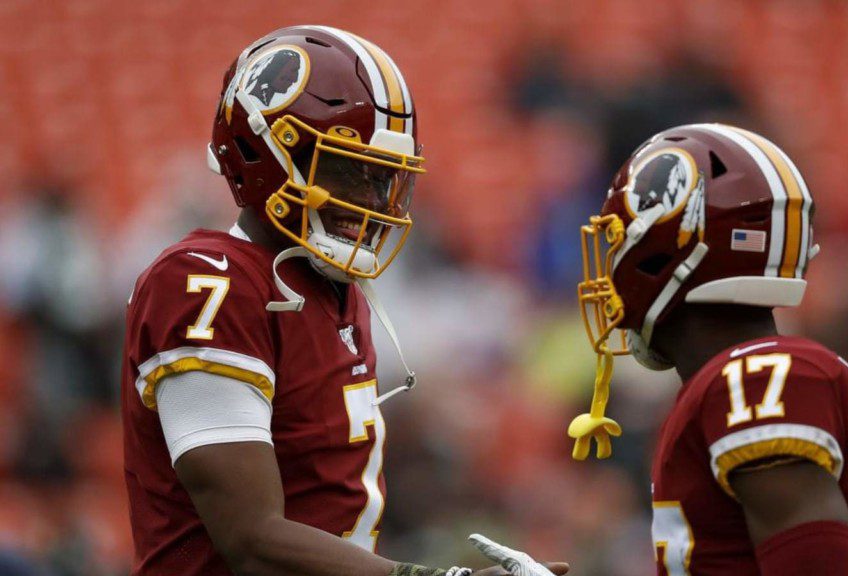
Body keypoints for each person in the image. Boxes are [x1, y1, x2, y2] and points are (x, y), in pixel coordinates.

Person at [120, 25, 567, 576]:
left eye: (383, 178)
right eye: (349, 171)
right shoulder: (207, 282)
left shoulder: (331, 287)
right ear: (264, 153)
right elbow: (251, 538)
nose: (373, 200)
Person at [568, 124, 848, 575]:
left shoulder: (753, 378)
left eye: (619, 238)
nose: (609, 270)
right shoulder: (739, 378)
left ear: (666, 246)